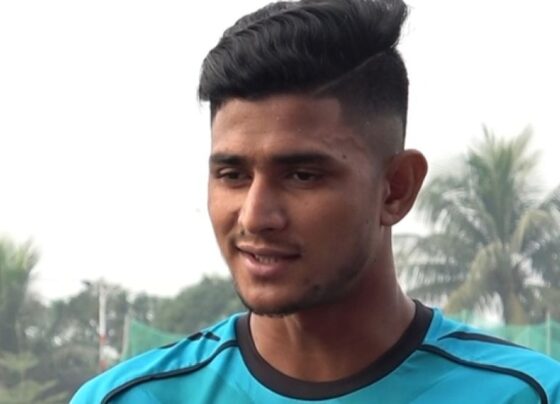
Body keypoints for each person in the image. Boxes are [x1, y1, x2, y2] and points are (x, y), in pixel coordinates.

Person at [71, 0, 560, 402]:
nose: (255, 217)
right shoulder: (127, 399)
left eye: (302, 175)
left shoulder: (528, 394)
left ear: (396, 188)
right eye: (233, 175)